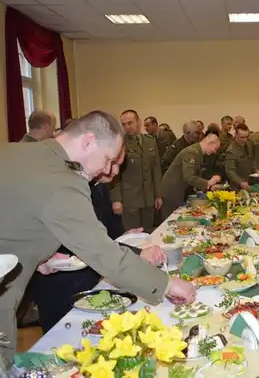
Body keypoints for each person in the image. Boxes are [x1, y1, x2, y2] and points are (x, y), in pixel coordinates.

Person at [0, 111, 195, 362]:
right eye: (107, 159)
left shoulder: (15, 151)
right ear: (88, 141)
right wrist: (168, 284)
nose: (107, 171)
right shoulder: (64, 180)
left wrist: (37, 257)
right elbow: (104, 255)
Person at [30, 145, 167, 332]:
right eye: (112, 163)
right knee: (63, 337)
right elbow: (82, 239)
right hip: (57, 284)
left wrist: (123, 238)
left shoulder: (99, 185)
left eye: (119, 164)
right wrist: (137, 252)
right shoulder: (68, 188)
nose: (116, 170)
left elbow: (102, 229)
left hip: (90, 278)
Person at [110, 110, 163, 233]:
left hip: (148, 198)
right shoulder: (120, 143)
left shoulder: (150, 141)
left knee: (148, 233)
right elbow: (113, 175)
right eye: (124, 124)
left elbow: (155, 169)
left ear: (138, 122)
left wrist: (158, 194)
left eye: (130, 123)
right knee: (133, 237)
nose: (127, 127)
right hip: (129, 200)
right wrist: (116, 199)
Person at [161, 132, 222, 219]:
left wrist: (209, 186)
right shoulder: (192, 152)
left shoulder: (197, 152)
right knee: (171, 220)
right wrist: (208, 182)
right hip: (172, 190)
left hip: (178, 189)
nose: (214, 151)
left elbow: (194, 175)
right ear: (210, 143)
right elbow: (189, 177)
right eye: (215, 148)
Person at [225, 124, 255, 191]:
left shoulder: (249, 144)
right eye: (242, 137)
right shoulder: (231, 151)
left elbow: (251, 159)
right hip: (237, 186)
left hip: (250, 182)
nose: (245, 139)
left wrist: (256, 170)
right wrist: (240, 182)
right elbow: (230, 171)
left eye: (247, 137)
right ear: (235, 135)